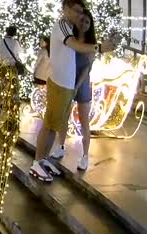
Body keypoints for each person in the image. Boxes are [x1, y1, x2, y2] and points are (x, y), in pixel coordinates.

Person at [29, 0, 118, 182]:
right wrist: (100, 47)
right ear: (66, 9)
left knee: (53, 126)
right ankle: (37, 163)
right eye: (76, 11)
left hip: (67, 86)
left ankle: (43, 160)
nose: (79, 15)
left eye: (81, 12)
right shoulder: (62, 25)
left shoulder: (69, 27)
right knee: (49, 125)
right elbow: (75, 46)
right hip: (60, 84)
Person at [50, 8, 97, 171]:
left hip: (82, 84)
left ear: (91, 25)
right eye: (82, 20)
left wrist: (77, 87)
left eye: (87, 21)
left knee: (84, 121)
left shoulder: (92, 45)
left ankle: (85, 156)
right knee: (64, 117)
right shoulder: (71, 39)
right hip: (67, 80)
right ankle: (60, 146)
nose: (83, 23)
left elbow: (87, 69)